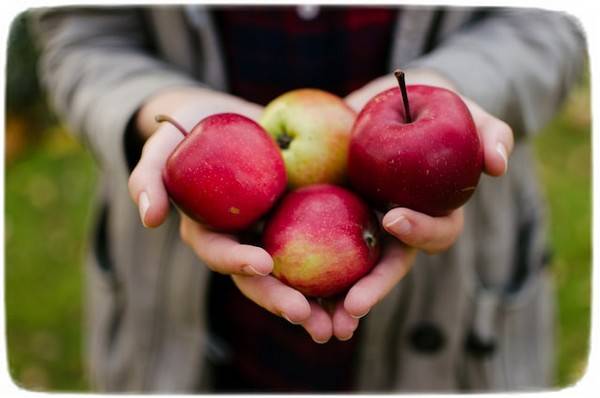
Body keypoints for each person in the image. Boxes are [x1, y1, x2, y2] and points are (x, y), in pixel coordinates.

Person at [33, 5, 585, 393]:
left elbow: (553, 24)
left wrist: (447, 85)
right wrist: (156, 104)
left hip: (452, 314)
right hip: (188, 317)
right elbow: (79, 34)